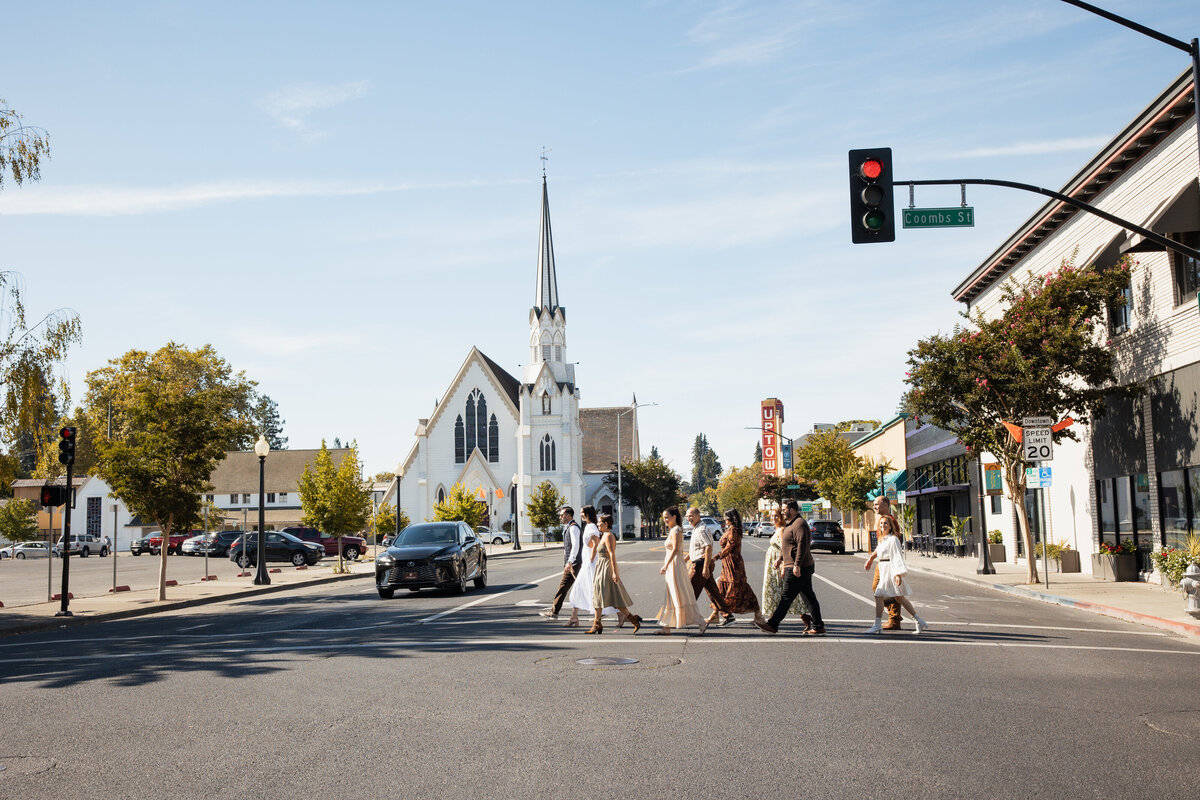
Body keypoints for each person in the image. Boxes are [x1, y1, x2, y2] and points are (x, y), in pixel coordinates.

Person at [756, 499, 825, 635]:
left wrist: (797, 565)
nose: (783, 512)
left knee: (786, 597)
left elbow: (802, 546)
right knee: (808, 597)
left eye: (784, 509)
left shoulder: (799, 524)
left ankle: (773, 624)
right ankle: (818, 626)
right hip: (793, 565)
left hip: (798, 567)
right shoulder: (791, 524)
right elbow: (787, 545)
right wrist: (780, 558)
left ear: (792, 510)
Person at [864, 515, 928, 634]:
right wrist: (870, 559)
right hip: (883, 568)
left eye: (886, 523)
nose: (883, 525)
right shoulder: (883, 539)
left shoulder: (893, 539)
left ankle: (877, 624)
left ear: (890, 526)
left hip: (890, 570)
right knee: (899, 598)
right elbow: (878, 551)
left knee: (879, 595)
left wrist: (898, 574)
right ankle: (919, 620)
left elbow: (897, 557)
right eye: (881, 523)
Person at [655, 506, 708, 636]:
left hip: (674, 565)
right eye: (664, 518)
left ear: (674, 517)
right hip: (673, 564)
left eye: (667, 517)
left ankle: (700, 621)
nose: (665, 520)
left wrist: (666, 565)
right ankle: (666, 626)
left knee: (680, 593)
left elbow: (675, 549)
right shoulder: (673, 530)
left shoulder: (677, 530)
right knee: (671, 594)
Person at [712, 509, 766, 627]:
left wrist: (716, 557)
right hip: (727, 563)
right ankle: (716, 614)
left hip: (733, 564)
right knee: (722, 586)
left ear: (731, 518)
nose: (724, 520)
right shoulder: (730, 529)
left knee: (739, 588)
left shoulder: (733, 531)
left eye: (726, 517)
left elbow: (729, 547)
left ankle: (757, 615)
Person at [588, 512, 641, 634]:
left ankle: (632, 619)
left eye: (600, 522)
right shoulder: (603, 535)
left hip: (606, 568)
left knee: (609, 597)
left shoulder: (609, 536)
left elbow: (612, 555)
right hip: (601, 567)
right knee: (601, 596)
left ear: (606, 524)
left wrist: (615, 573)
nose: (597, 524)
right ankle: (598, 623)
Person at [565, 506, 616, 627]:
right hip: (588, 563)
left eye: (582, 512)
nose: (581, 514)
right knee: (582, 589)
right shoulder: (589, 526)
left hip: (590, 564)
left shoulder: (592, 526)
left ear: (587, 513)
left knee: (595, 590)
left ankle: (620, 613)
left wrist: (591, 559)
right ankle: (574, 617)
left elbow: (596, 543)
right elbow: (591, 543)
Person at [761, 509, 811, 627]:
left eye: (777, 516)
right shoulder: (778, 529)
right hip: (774, 565)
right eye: (772, 516)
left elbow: (785, 548)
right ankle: (772, 619)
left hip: (781, 565)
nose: (774, 518)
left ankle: (775, 622)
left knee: (787, 593)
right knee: (778, 592)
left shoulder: (783, 529)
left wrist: (783, 564)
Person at [684, 507, 730, 622]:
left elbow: (708, 547)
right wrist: (684, 559)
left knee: (689, 591)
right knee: (713, 592)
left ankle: (687, 617)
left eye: (691, 516)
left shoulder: (701, 529)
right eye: (687, 516)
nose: (688, 518)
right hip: (701, 563)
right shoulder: (696, 528)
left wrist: (705, 568)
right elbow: (696, 549)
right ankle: (728, 615)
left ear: (697, 516)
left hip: (701, 565)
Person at [541, 506, 583, 619]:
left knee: (563, 587)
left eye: (562, 515)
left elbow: (575, 546)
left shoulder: (573, 528)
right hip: (573, 563)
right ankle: (609, 610)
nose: (560, 517)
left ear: (568, 515)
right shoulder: (569, 527)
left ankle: (554, 612)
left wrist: (570, 562)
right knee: (582, 587)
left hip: (574, 564)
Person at [872, 496, 903, 630]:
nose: (875, 507)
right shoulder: (882, 520)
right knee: (879, 589)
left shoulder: (890, 521)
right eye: (874, 504)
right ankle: (894, 616)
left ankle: (894, 618)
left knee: (886, 590)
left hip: (888, 563)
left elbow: (895, 543)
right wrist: (871, 558)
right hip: (882, 562)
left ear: (885, 505)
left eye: (877, 504)